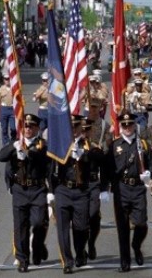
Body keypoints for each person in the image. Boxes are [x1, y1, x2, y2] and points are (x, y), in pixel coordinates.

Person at [0, 114, 51, 272]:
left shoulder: (43, 144)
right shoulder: (15, 144)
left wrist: (29, 153)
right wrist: (14, 147)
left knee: (39, 222)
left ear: (36, 128)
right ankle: (22, 259)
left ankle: (38, 245)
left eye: (31, 126)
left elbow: (45, 161)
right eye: (25, 126)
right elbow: (1, 157)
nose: (27, 129)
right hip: (20, 190)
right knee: (21, 226)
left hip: (37, 189)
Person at [106, 112, 152, 272]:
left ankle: (136, 245)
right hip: (121, 189)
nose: (127, 127)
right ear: (120, 126)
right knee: (122, 227)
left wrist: (149, 173)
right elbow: (107, 168)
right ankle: (125, 262)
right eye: (124, 125)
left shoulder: (143, 144)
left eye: (130, 124)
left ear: (134, 125)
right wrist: (105, 188)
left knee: (141, 223)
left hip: (137, 188)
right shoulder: (114, 146)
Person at [50, 115, 92, 274]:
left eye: (76, 127)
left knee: (81, 227)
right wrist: (50, 192)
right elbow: (51, 168)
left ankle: (80, 251)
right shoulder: (60, 144)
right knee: (62, 228)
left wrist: (82, 155)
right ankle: (67, 261)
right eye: (71, 128)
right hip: (63, 190)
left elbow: (95, 159)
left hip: (81, 191)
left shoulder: (87, 144)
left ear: (81, 128)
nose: (74, 131)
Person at [80, 116, 110, 261]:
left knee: (93, 216)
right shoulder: (73, 148)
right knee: (80, 220)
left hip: (92, 185)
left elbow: (104, 168)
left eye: (87, 130)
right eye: (82, 130)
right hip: (78, 186)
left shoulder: (95, 148)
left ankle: (91, 242)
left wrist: (104, 188)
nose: (84, 133)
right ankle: (81, 247)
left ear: (91, 131)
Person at [0, 74, 16, 146]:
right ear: (3, 80)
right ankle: (5, 144)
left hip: (13, 109)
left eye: (9, 79)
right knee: (4, 129)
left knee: (13, 128)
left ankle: (13, 142)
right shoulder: (0, 90)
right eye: (6, 79)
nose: (8, 81)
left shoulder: (15, 88)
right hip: (4, 109)